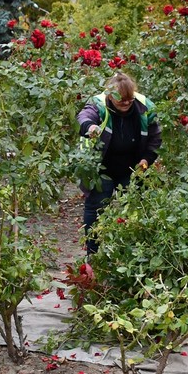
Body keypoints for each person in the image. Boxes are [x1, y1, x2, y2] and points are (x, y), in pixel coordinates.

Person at [76, 71, 161, 254]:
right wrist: (91, 127)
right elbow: (84, 116)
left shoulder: (144, 107)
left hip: (131, 167)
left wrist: (146, 160)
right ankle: (93, 253)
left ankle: (131, 253)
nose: (126, 103)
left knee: (134, 210)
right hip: (101, 167)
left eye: (129, 100)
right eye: (121, 99)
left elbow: (155, 139)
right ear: (111, 95)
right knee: (96, 208)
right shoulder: (98, 104)